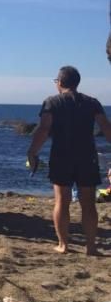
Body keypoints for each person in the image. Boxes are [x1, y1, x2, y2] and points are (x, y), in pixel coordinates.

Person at [27, 66, 111, 256]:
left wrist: (32, 151)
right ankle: (91, 247)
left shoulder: (52, 102)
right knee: (88, 203)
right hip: (87, 156)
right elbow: (106, 128)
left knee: (62, 201)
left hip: (62, 155)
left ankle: (63, 245)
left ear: (60, 82)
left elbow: (43, 129)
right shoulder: (92, 102)